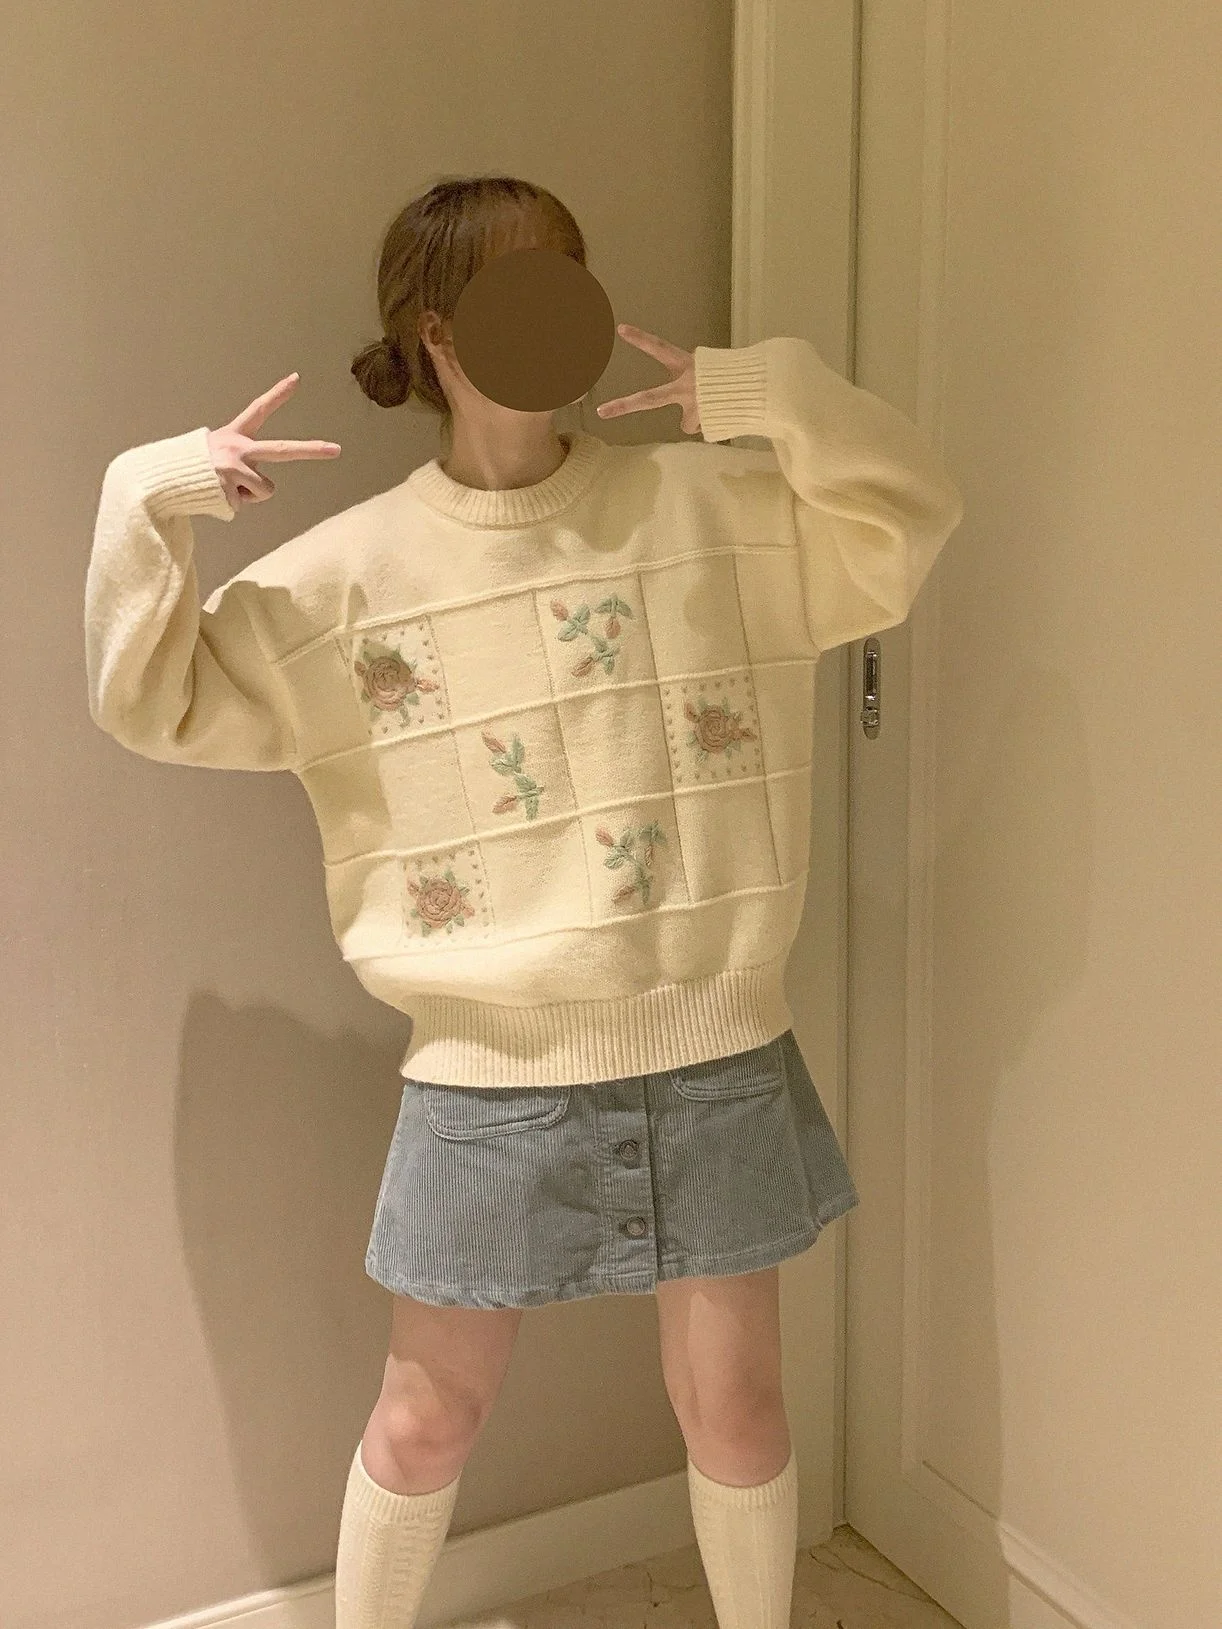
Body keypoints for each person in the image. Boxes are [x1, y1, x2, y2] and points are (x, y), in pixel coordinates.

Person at [84, 173, 964, 1629]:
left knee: (739, 1411)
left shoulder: (710, 509)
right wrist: (147, 497)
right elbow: (152, 701)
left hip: (715, 1049)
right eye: (515, 283)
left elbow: (903, 518)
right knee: (426, 1418)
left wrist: (773, 393)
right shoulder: (345, 581)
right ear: (434, 329)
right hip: (485, 1077)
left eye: (570, 271)